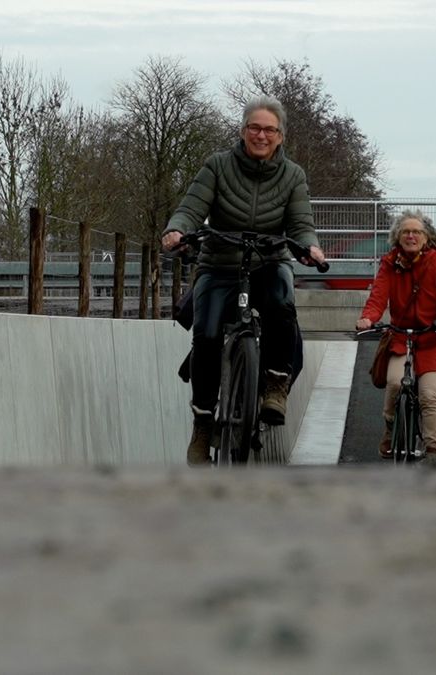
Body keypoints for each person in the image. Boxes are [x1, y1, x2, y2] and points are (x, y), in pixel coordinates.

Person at [161, 95, 327, 466]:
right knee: (205, 334)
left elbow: (300, 223)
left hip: (268, 260)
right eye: (255, 127)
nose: (261, 135)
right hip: (220, 261)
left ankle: (274, 383)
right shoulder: (218, 166)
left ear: (281, 136)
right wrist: (177, 230)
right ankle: (203, 423)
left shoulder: (293, 175)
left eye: (269, 130)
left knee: (283, 301)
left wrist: (309, 248)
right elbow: (191, 207)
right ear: (242, 130)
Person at [356, 210, 436, 461]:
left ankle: (435, 452)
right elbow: (378, 296)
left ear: (426, 238)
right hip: (401, 336)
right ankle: (391, 429)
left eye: (416, 232)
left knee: (429, 395)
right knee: (395, 383)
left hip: (434, 339)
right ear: (398, 237)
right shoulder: (389, 262)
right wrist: (368, 318)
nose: (411, 236)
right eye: (406, 231)